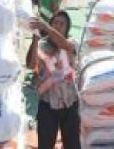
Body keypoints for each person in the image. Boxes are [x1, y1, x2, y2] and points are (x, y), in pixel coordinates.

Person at [27, 11, 80, 149]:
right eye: (55, 23)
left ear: (67, 28)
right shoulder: (42, 45)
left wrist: (46, 27)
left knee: (73, 145)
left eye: (62, 24)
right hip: (47, 104)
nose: (58, 26)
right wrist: (35, 38)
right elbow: (31, 65)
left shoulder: (72, 43)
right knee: (45, 144)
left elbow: (64, 45)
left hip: (70, 103)